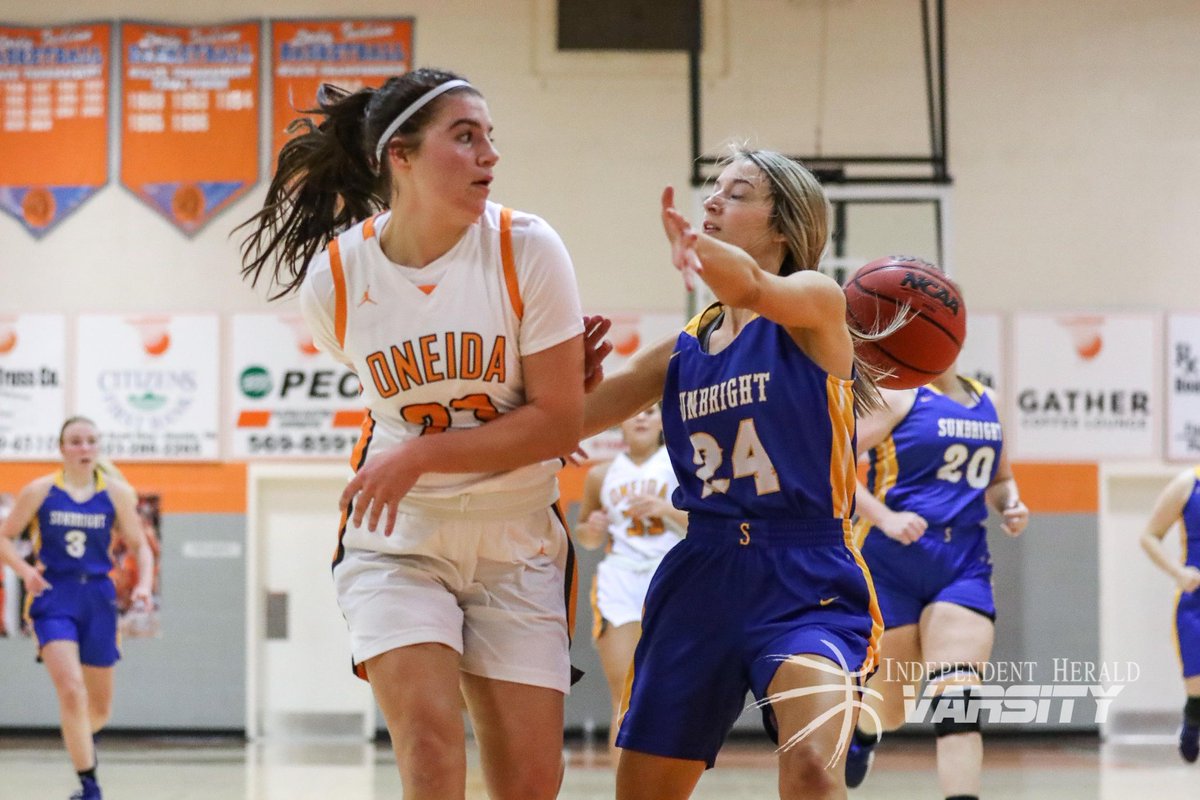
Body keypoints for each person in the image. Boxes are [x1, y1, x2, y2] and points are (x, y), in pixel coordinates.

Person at [237, 67, 609, 800]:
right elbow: (480, 412)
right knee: (431, 750)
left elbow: (559, 422)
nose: (489, 156)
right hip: (396, 538)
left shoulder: (527, 248)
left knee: (530, 785)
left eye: (490, 138)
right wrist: (503, 421)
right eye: (464, 137)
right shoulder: (337, 282)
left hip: (517, 541)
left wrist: (428, 450)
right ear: (398, 156)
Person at [580, 147, 894, 800]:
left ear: (783, 225)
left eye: (739, 192)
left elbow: (755, 289)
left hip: (808, 577)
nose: (714, 201)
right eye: (713, 189)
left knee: (811, 766)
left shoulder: (815, 305)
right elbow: (569, 420)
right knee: (643, 790)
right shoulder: (681, 352)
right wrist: (554, 379)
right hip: (704, 573)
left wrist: (695, 248)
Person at [843, 362, 1029, 800]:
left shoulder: (989, 401)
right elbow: (830, 463)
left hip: (962, 562)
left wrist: (1011, 503)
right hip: (890, 564)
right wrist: (883, 516)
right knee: (893, 709)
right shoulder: (898, 396)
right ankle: (864, 732)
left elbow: (1000, 478)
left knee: (958, 699)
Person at [0, 416, 154, 800]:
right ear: (62, 448)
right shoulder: (39, 491)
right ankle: (90, 786)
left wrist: (145, 586)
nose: (84, 448)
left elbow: (141, 548)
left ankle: (79, 740)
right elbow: (4, 538)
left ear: (97, 448)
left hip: (98, 598)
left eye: (90, 441)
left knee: (98, 710)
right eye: (76, 441)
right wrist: (23, 571)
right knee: (71, 690)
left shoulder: (115, 494)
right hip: (54, 595)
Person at [573, 405, 686, 762]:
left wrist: (664, 509)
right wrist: (590, 531)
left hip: (670, 576)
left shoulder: (681, 464)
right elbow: (587, 537)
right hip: (620, 578)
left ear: (661, 421)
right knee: (626, 694)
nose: (640, 418)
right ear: (619, 420)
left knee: (671, 693)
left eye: (650, 411)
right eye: (634, 411)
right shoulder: (601, 474)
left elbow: (705, 523)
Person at [1139, 465, 1200, 764]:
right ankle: (1192, 720)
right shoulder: (1188, 484)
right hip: (1195, 602)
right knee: (1198, 686)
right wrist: (1178, 572)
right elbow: (1149, 535)